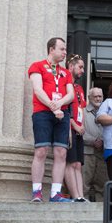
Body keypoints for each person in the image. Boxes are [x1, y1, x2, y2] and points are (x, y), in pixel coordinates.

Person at [28, 37, 74, 202]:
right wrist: (53, 106)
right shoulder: (37, 66)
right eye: (61, 49)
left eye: (65, 50)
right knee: (41, 151)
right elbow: (37, 89)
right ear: (51, 49)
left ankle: (56, 193)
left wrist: (60, 104)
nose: (64, 53)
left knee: (61, 152)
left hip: (62, 113)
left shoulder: (66, 72)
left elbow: (71, 94)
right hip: (42, 113)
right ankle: (37, 192)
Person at [63, 54, 88, 202]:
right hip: (69, 127)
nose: (83, 70)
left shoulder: (79, 88)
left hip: (79, 129)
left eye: (83, 67)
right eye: (80, 67)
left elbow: (82, 108)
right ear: (71, 67)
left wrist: (82, 125)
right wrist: (74, 125)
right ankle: (75, 195)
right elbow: (66, 109)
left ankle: (81, 196)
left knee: (78, 164)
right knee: (70, 162)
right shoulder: (65, 85)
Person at [83, 87, 108, 202]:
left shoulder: (108, 113)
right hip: (87, 153)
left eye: (100, 96)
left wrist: (104, 141)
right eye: (95, 96)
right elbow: (79, 132)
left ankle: (101, 214)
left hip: (103, 154)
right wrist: (93, 141)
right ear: (89, 98)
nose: (98, 99)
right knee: (84, 184)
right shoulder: (82, 112)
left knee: (102, 187)